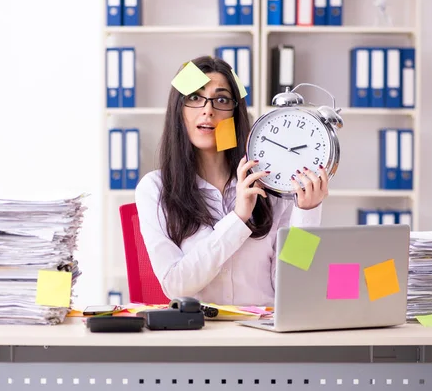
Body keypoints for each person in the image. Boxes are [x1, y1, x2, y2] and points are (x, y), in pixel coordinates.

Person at [135, 55, 329, 306]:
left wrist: (307, 215)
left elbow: (292, 289)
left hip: (263, 335)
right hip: (202, 334)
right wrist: (238, 218)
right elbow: (176, 285)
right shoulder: (156, 189)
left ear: (235, 114)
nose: (208, 110)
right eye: (194, 97)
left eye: (222, 99)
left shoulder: (270, 185)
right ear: (179, 112)